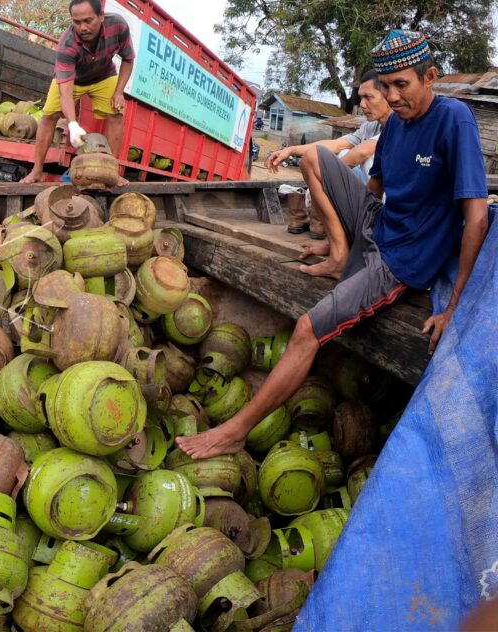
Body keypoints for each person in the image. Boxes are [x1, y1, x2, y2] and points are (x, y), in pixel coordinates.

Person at [177, 30, 488, 460]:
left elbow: (475, 217)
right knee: (314, 158)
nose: (393, 96)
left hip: (403, 260)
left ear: (430, 77)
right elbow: (374, 189)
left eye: (403, 85)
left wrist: (453, 305)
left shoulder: (454, 120)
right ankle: (339, 253)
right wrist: (337, 239)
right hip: (379, 225)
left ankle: (236, 430)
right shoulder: (394, 125)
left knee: (308, 329)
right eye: (387, 85)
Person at [267, 70, 394, 269]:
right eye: (361, 97)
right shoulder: (371, 127)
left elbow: (360, 154)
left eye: (368, 97)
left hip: (387, 214)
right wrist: (292, 150)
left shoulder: (400, 126)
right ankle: (336, 245)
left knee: (324, 161)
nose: (362, 104)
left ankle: (339, 256)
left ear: (389, 97)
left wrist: (326, 179)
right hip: (369, 208)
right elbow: (335, 144)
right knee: (322, 157)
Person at [21, 0, 135, 184]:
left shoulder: (118, 25)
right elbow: (65, 91)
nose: (82, 27)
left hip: (104, 75)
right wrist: (72, 125)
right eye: (77, 22)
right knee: (48, 116)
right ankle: (37, 170)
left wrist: (118, 92)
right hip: (74, 80)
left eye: (88, 21)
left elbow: (128, 59)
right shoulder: (67, 45)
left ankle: (112, 171)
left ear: (101, 16)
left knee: (116, 113)